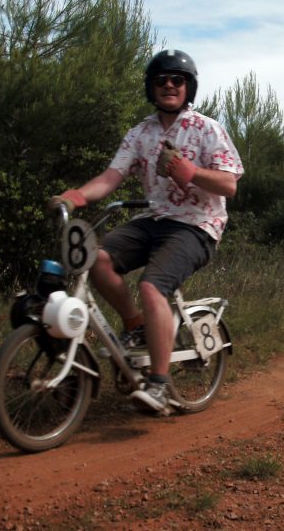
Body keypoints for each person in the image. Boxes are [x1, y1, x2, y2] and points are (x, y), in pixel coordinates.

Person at [49, 49, 243, 413]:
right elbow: (111, 177)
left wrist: (191, 172)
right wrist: (76, 196)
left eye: (177, 80)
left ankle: (159, 384)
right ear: (151, 88)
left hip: (196, 224)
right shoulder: (140, 133)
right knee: (97, 259)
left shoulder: (207, 129)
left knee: (152, 286)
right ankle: (135, 324)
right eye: (161, 80)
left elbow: (229, 184)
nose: (169, 86)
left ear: (188, 87)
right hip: (155, 220)